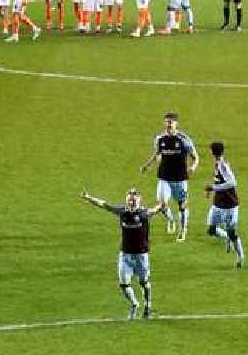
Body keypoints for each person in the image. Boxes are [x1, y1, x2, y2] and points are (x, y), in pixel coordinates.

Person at [80, 188, 162, 319]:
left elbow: (156, 210)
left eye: (134, 200)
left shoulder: (144, 214)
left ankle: (147, 304)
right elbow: (104, 205)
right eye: (130, 200)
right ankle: (134, 304)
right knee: (124, 284)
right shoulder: (122, 212)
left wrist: (161, 205)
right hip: (125, 255)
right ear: (127, 201)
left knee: (144, 283)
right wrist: (89, 198)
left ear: (139, 200)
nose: (132, 202)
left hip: (142, 256)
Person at [140, 112, 199, 242]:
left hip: (180, 179)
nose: (168, 124)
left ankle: (183, 229)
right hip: (164, 177)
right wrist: (147, 165)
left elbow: (195, 157)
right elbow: (156, 154)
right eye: (166, 122)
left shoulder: (183, 139)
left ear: (176, 124)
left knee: (182, 205)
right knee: (162, 205)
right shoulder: (160, 138)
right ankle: (171, 220)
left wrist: (193, 167)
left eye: (170, 122)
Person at [204, 142, 244, 267]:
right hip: (218, 203)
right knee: (211, 230)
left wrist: (213, 188)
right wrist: (210, 191)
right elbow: (217, 179)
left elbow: (232, 183)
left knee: (232, 232)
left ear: (212, 152)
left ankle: (240, 256)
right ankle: (226, 237)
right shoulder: (217, 164)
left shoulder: (222, 165)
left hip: (230, 204)